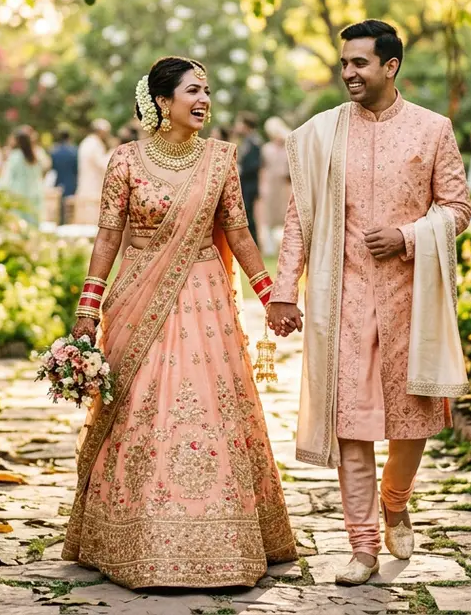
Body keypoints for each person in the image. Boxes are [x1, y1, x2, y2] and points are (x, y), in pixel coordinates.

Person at [61, 56, 296, 589]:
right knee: (140, 407)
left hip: (206, 300)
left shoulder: (220, 159)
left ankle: (226, 540)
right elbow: (107, 237)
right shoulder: (126, 160)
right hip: (137, 300)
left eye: (207, 90)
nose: (204, 100)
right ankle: (132, 538)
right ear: (163, 102)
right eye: (193, 90)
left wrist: (272, 296)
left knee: (211, 404)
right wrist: (87, 308)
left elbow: (237, 233)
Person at [267, 20, 471, 585]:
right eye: (345, 63)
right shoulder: (322, 135)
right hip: (345, 300)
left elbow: (457, 208)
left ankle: (396, 500)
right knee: (351, 426)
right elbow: (298, 220)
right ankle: (361, 549)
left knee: (412, 424)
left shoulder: (433, 130)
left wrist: (408, 236)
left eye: (360, 63)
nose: (349, 73)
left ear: (391, 66)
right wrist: (285, 289)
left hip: (412, 299)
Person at [0, 126, 49, 224]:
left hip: (18, 195)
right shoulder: (37, 154)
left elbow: (6, 178)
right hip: (35, 193)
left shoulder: (15, 156)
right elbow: (46, 168)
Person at [259, 117, 291, 255]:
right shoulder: (266, 149)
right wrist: (263, 186)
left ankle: (286, 246)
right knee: (269, 215)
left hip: (285, 185)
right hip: (271, 185)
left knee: (285, 214)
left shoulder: (288, 147)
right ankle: (270, 248)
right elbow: (263, 169)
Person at [233, 113, 263, 248]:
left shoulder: (255, 141)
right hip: (245, 184)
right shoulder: (245, 141)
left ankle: (254, 243)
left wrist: (241, 170)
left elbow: (255, 164)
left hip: (250, 185)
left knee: (249, 215)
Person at [74, 119, 112, 225]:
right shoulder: (95, 144)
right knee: (91, 219)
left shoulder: (86, 142)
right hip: (92, 186)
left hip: (86, 184)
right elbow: (103, 165)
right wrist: (112, 153)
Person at [49, 129, 79, 225]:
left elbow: (53, 167)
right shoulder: (74, 151)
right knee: (70, 208)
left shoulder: (54, 151)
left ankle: (60, 223)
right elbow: (76, 168)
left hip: (59, 179)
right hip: (71, 180)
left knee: (59, 205)